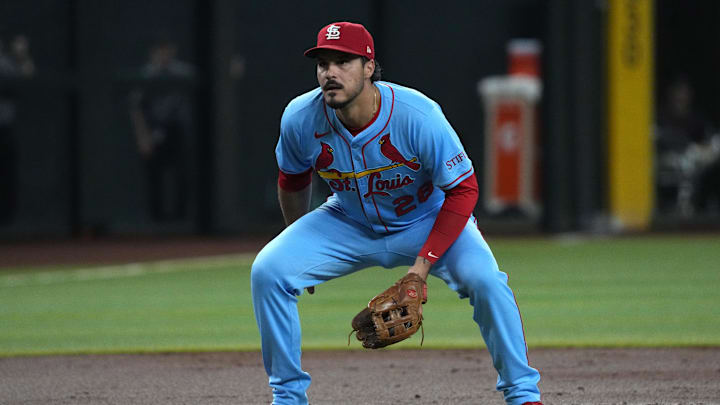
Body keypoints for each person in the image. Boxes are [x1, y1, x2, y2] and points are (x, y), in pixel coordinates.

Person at [251, 22, 543, 405]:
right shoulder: (300, 118)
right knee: (269, 271)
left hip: (425, 219)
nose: (330, 73)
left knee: (486, 281)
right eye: (323, 64)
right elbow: (293, 180)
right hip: (348, 220)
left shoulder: (416, 115)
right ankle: (288, 398)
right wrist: (297, 240)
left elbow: (463, 189)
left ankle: (523, 395)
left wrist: (422, 267)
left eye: (343, 62)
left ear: (369, 67)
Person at [128, 37, 194, 222]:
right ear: (153, 53)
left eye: (168, 50)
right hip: (153, 132)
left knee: (183, 175)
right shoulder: (146, 76)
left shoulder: (183, 73)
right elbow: (136, 109)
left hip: (178, 133)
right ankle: (157, 223)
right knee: (154, 178)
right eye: (160, 50)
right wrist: (143, 137)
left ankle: (182, 222)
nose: (164, 55)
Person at [0, 33, 35, 225]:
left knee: (7, 176)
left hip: (5, 129)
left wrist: (22, 56)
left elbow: (28, 77)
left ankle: (6, 221)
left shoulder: (6, 62)